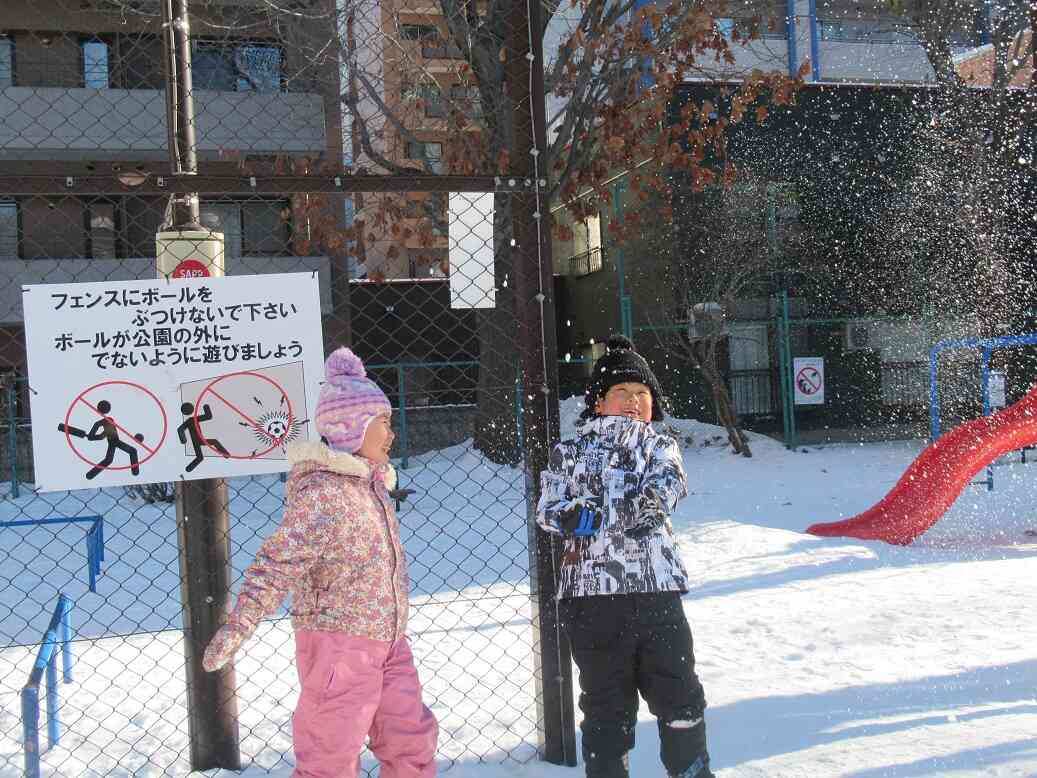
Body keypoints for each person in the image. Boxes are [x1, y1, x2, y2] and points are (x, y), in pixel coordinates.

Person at [202, 346, 438, 778]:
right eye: (381, 422)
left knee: (411, 740)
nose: (391, 433)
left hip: (390, 641)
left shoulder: (371, 485)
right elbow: (277, 562)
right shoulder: (323, 494)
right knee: (330, 754)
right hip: (338, 646)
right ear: (351, 428)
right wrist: (241, 622)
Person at [536, 334, 713, 778]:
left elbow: (665, 492)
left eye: (643, 394)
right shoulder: (568, 453)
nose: (634, 402)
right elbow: (548, 508)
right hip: (593, 599)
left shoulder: (659, 447)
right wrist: (571, 515)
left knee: (679, 691)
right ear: (598, 402)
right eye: (622, 393)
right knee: (605, 702)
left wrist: (611, 512)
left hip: (657, 592)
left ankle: (691, 768)